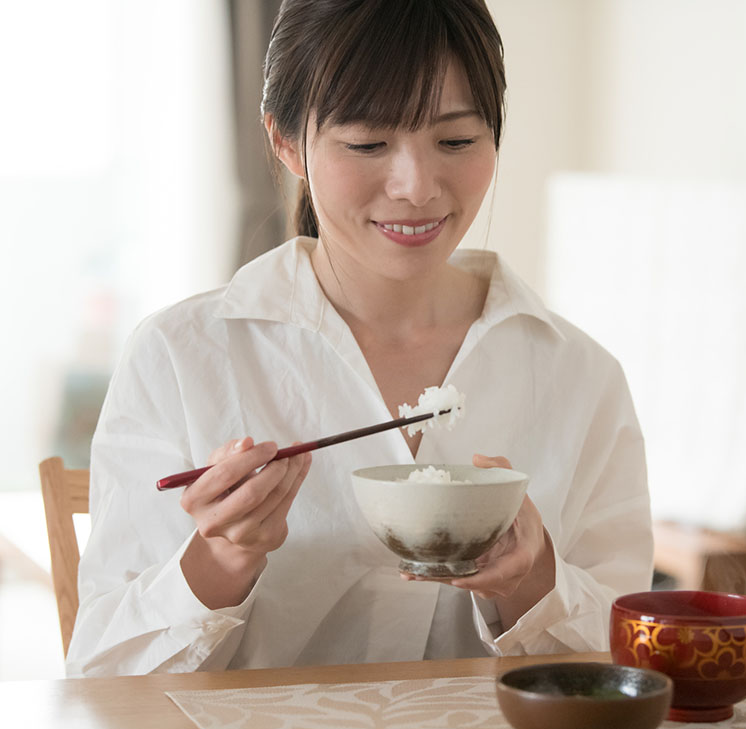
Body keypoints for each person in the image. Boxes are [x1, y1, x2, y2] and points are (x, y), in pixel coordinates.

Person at [66, 0, 652, 677]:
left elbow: (633, 665)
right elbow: (102, 681)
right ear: (285, 142)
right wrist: (222, 558)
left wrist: (531, 580)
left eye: (456, 141)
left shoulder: (579, 375)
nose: (416, 187)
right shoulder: (180, 358)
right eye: (367, 144)